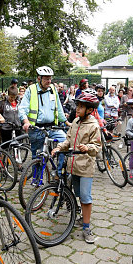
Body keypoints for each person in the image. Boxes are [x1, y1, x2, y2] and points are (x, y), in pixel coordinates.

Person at [51, 92, 101, 244]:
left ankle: (86, 227)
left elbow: (97, 146)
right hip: (73, 166)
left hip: (85, 167)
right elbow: (68, 140)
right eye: (77, 106)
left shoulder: (93, 125)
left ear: (90, 110)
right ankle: (80, 217)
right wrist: (59, 148)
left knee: (85, 197)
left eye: (81, 106)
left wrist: (88, 147)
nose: (77, 109)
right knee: (79, 194)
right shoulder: (75, 122)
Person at [18, 66, 70, 175]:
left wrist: (66, 121)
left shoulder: (53, 89)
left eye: (50, 78)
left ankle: (59, 172)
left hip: (52, 127)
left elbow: (58, 107)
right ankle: (37, 181)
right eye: (46, 78)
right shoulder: (31, 90)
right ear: (39, 79)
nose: (49, 81)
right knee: (37, 156)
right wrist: (26, 121)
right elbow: (22, 108)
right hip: (37, 128)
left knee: (65, 142)